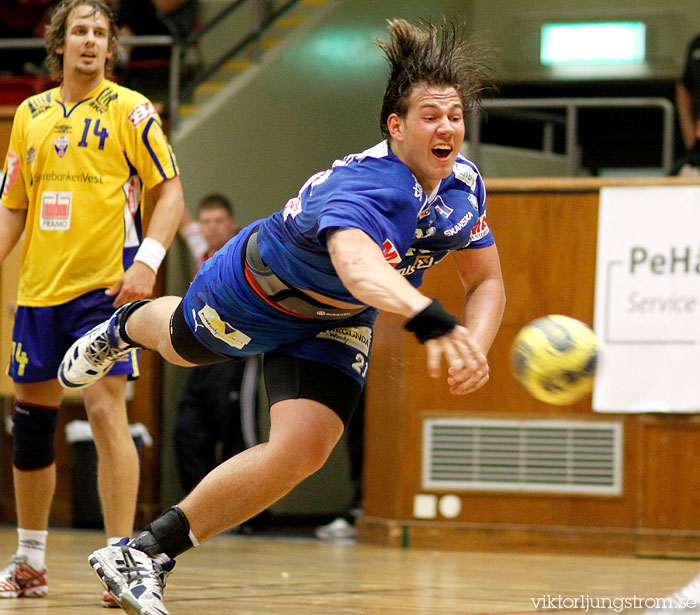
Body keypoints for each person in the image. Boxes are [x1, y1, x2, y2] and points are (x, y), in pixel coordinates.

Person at [59, 17, 506, 615]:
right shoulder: (368, 185)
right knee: (180, 343)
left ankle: (143, 554)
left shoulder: (464, 187)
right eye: (431, 116)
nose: (446, 127)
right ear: (396, 127)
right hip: (261, 286)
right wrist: (429, 317)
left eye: (454, 115)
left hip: (338, 318)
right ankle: (120, 327)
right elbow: (356, 265)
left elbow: (488, 281)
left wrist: (475, 342)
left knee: (305, 448)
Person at [0, 0, 184, 606]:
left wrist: (146, 264)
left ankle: (123, 559)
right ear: (59, 43)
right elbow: (13, 208)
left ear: (111, 46)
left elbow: (170, 192)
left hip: (104, 290)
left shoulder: (132, 109)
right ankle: (29, 563)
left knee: (106, 413)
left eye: (100, 33)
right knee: (31, 429)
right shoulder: (29, 115)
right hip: (39, 293)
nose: (89, 41)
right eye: (79, 30)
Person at [174, 194, 258, 493]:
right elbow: (180, 217)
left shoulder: (244, 252)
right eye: (206, 221)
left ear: (232, 224)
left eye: (218, 221)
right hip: (200, 355)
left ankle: (248, 516)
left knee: (238, 434)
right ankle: (196, 513)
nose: (211, 227)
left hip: (236, 355)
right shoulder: (202, 250)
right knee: (188, 431)